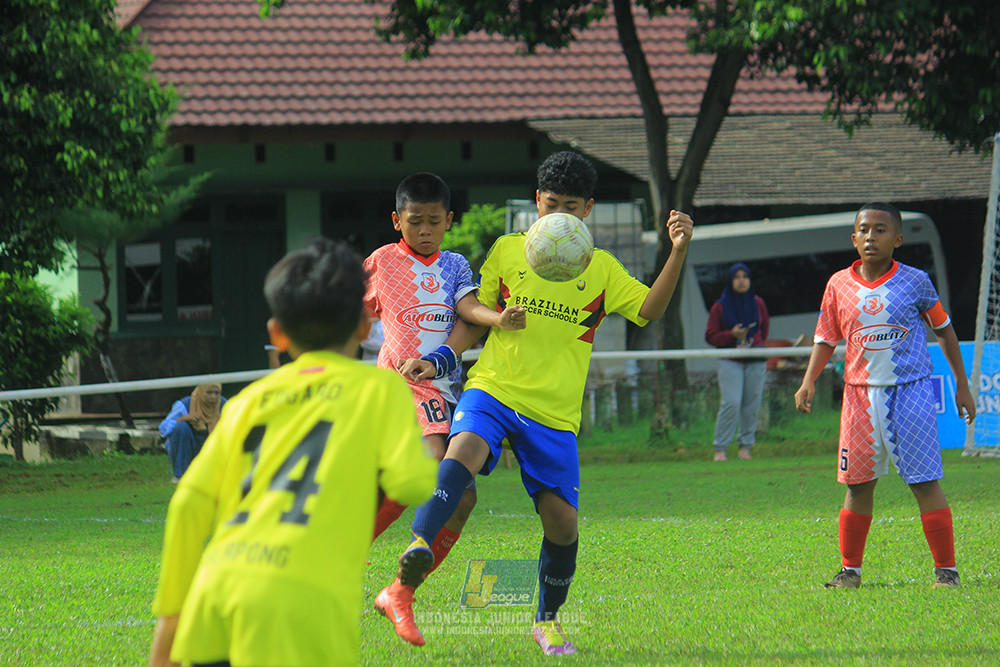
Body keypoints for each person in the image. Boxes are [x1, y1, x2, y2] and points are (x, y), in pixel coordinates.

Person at [380, 151, 694, 654]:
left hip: (554, 414)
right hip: (494, 388)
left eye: (570, 208)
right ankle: (414, 554)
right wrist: (442, 358)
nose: (558, 217)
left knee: (563, 524)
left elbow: (650, 311)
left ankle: (546, 619)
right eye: (550, 206)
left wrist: (677, 251)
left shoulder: (603, 269)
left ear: (587, 210)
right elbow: (471, 314)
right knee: (461, 454)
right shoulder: (507, 250)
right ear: (536, 203)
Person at [148, 238, 437, 667]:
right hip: (305, 612)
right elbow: (411, 481)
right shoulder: (381, 391)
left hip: (217, 597)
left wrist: (171, 619)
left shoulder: (249, 400)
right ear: (364, 325)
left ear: (276, 334)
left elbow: (189, 502)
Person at [793, 202, 975, 590]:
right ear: (853, 238)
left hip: (911, 394)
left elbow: (944, 331)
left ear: (898, 239)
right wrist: (809, 380)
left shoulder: (916, 281)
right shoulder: (837, 285)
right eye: (864, 230)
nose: (871, 236)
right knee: (857, 486)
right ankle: (850, 572)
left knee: (924, 481)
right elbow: (826, 338)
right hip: (858, 399)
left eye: (880, 229)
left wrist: (962, 383)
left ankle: (947, 570)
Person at [364, 172, 524, 580]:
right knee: (436, 460)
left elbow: (469, 307)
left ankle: (406, 580)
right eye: (415, 221)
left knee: (464, 499)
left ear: (449, 220)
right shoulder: (381, 262)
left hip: (447, 388)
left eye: (433, 221)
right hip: (403, 384)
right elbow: (352, 312)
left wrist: (499, 318)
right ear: (397, 221)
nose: (425, 230)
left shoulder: (453, 265)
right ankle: (405, 542)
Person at [705, 263, 770, 461]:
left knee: (752, 405)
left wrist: (754, 344)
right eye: (737, 277)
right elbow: (710, 336)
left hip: (755, 360)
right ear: (730, 281)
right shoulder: (720, 306)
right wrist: (731, 335)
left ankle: (745, 447)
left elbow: (764, 329)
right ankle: (720, 449)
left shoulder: (758, 303)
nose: (741, 281)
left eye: (745, 277)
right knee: (731, 403)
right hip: (731, 359)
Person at [158, 384, 225, 482]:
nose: (213, 397)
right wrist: (183, 419)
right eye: (209, 393)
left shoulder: (224, 405)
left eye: (216, 393)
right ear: (201, 391)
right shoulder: (185, 404)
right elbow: (163, 428)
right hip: (190, 447)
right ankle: (180, 475)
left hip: (212, 447)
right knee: (181, 427)